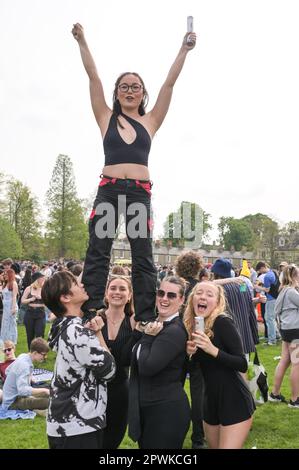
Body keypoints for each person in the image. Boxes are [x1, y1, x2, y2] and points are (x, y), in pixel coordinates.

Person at [71, 23, 196, 322]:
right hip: (110, 192)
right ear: (116, 93)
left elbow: (169, 84)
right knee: (99, 250)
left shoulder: (151, 121)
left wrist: (184, 49)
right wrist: (82, 41)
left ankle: (144, 315)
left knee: (142, 256)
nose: (130, 91)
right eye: (124, 86)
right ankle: (90, 311)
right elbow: (93, 77)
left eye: (135, 87)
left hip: (139, 194)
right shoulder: (105, 117)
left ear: (143, 94)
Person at [41, 271, 116, 449]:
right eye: (75, 283)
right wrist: (98, 334)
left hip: (63, 423)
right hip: (78, 426)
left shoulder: (62, 326)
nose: (82, 285)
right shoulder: (77, 332)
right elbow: (110, 370)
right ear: (66, 297)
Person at [185, 282, 255, 449]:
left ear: (217, 302)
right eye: (199, 292)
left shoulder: (223, 323)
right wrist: (190, 354)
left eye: (209, 294)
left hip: (234, 400)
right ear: (192, 298)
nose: (203, 296)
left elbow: (242, 364)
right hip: (210, 401)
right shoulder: (194, 324)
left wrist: (212, 349)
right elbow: (196, 367)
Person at [125, 276, 190, 449]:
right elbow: (127, 358)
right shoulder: (153, 323)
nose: (164, 299)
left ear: (182, 300)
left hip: (166, 412)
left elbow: (148, 367)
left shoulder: (174, 331)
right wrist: (139, 334)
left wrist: (146, 338)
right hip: (148, 408)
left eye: (171, 295)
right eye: (161, 293)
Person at [99, 274, 135, 448]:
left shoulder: (134, 322)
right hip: (94, 389)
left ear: (129, 296)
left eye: (122, 289)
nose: (117, 292)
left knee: (112, 439)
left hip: (120, 389)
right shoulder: (96, 319)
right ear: (106, 293)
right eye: (113, 288)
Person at [175, 250, 205, 449]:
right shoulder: (201, 290)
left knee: (173, 390)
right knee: (198, 394)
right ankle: (197, 438)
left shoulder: (175, 287)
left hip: (176, 342)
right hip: (195, 343)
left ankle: (173, 430)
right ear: (197, 267)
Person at [269, 265, 299, 407]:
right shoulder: (291, 291)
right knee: (297, 363)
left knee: (285, 360)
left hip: (286, 330)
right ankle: (295, 400)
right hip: (295, 330)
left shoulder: (283, 290)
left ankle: (274, 394)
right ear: (294, 276)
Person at [1, 337, 50, 412]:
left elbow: (8, 370)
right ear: (35, 353)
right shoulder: (24, 365)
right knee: (48, 402)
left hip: (12, 396)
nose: (45, 357)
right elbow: (22, 390)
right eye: (43, 355)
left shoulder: (23, 356)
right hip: (12, 402)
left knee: (48, 393)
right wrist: (44, 391)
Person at [21, 272, 46, 350]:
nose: (43, 279)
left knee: (40, 334)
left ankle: (41, 353)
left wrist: (41, 298)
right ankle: (31, 352)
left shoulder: (45, 289)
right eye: (42, 278)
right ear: (37, 279)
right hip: (30, 313)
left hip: (40, 312)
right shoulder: (29, 288)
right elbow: (22, 300)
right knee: (30, 334)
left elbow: (48, 303)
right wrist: (31, 299)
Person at [0, 268, 18, 344]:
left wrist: (13, 308)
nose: (5, 276)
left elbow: (14, 296)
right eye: (4, 274)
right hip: (5, 308)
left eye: (6, 274)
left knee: (11, 325)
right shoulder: (5, 284)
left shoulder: (13, 283)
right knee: (5, 325)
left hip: (11, 306)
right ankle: (4, 341)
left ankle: (11, 341)